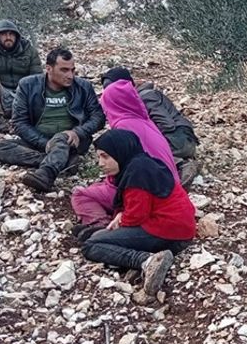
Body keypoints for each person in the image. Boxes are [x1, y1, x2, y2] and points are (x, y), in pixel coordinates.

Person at [81, 129, 195, 299]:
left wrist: (121, 220)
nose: (100, 163)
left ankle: (146, 261)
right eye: (99, 157)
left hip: (169, 232)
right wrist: (120, 216)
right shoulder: (141, 163)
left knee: (91, 245)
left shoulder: (137, 173)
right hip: (178, 227)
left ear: (120, 152)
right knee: (92, 235)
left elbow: (136, 216)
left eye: (105, 156)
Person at [72, 79, 181, 238]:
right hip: (168, 182)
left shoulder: (123, 125)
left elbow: (125, 165)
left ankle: (99, 225)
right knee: (99, 186)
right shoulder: (143, 119)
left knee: (80, 194)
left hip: (145, 186)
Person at [0, 48, 105, 192]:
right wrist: (45, 143)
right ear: (49, 69)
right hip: (39, 140)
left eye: (72, 70)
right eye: (64, 70)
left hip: (72, 140)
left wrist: (78, 131)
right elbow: (19, 122)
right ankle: (60, 160)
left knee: (61, 139)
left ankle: (46, 174)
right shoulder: (28, 85)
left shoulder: (83, 86)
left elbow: (99, 117)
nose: (70, 75)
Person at [101, 67, 200, 186]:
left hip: (180, 140)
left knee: (140, 149)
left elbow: (166, 124)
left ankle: (181, 165)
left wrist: (149, 136)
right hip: (179, 139)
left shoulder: (145, 97)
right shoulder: (134, 101)